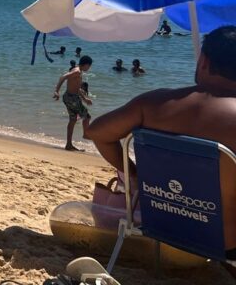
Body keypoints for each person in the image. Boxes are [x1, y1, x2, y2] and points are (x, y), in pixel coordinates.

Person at [86, 27, 236, 257]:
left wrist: (135, 175)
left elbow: (97, 132)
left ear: (204, 61)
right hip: (225, 244)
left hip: (162, 226)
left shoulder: (153, 103)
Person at [53, 55, 94, 151]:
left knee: (72, 120)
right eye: (89, 66)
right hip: (72, 98)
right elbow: (63, 77)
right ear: (86, 64)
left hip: (69, 97)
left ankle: (69, 145)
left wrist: (85, 98)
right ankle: (86, 134)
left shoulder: (78, 71)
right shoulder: (77, 71)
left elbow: (76, 87)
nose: (89, 68)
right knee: (86, 116)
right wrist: (56, 91)